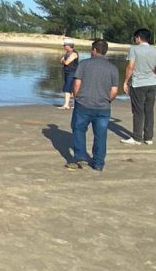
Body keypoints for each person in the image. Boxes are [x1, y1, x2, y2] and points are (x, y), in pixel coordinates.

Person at [67, 39, 119, 171]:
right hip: (103, 107)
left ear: (94, 50)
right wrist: (107, 100)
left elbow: (77, 84)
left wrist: (76, 97)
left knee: (78, 129)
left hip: (84, 104)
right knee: (100, 135)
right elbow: (114, 90)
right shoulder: (113, 68)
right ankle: (98, 163)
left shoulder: (84, 64)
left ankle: (80, 157)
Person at [120, 28, 156, 145]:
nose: (135, 40)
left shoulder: (134, 49)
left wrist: (125, 81)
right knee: (149, 110)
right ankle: (148, 137)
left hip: (138, 84)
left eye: (135, 38)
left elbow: (130, 66)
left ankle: (137, 137)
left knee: (138, 111)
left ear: (138, 38)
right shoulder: (154, 50)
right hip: (152, 83)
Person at [58, 38, 79, 109]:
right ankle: (73, 104)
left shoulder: (74, 53)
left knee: (67, 88)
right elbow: (61, 61)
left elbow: (66, 62)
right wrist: (64, 61)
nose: (63, 46)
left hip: (72, 72)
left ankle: (66, 105)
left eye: (64, 45)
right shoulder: (67, 53)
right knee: (71, 88)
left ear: (68, 46)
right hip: (68, 72)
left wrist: (64, 61)